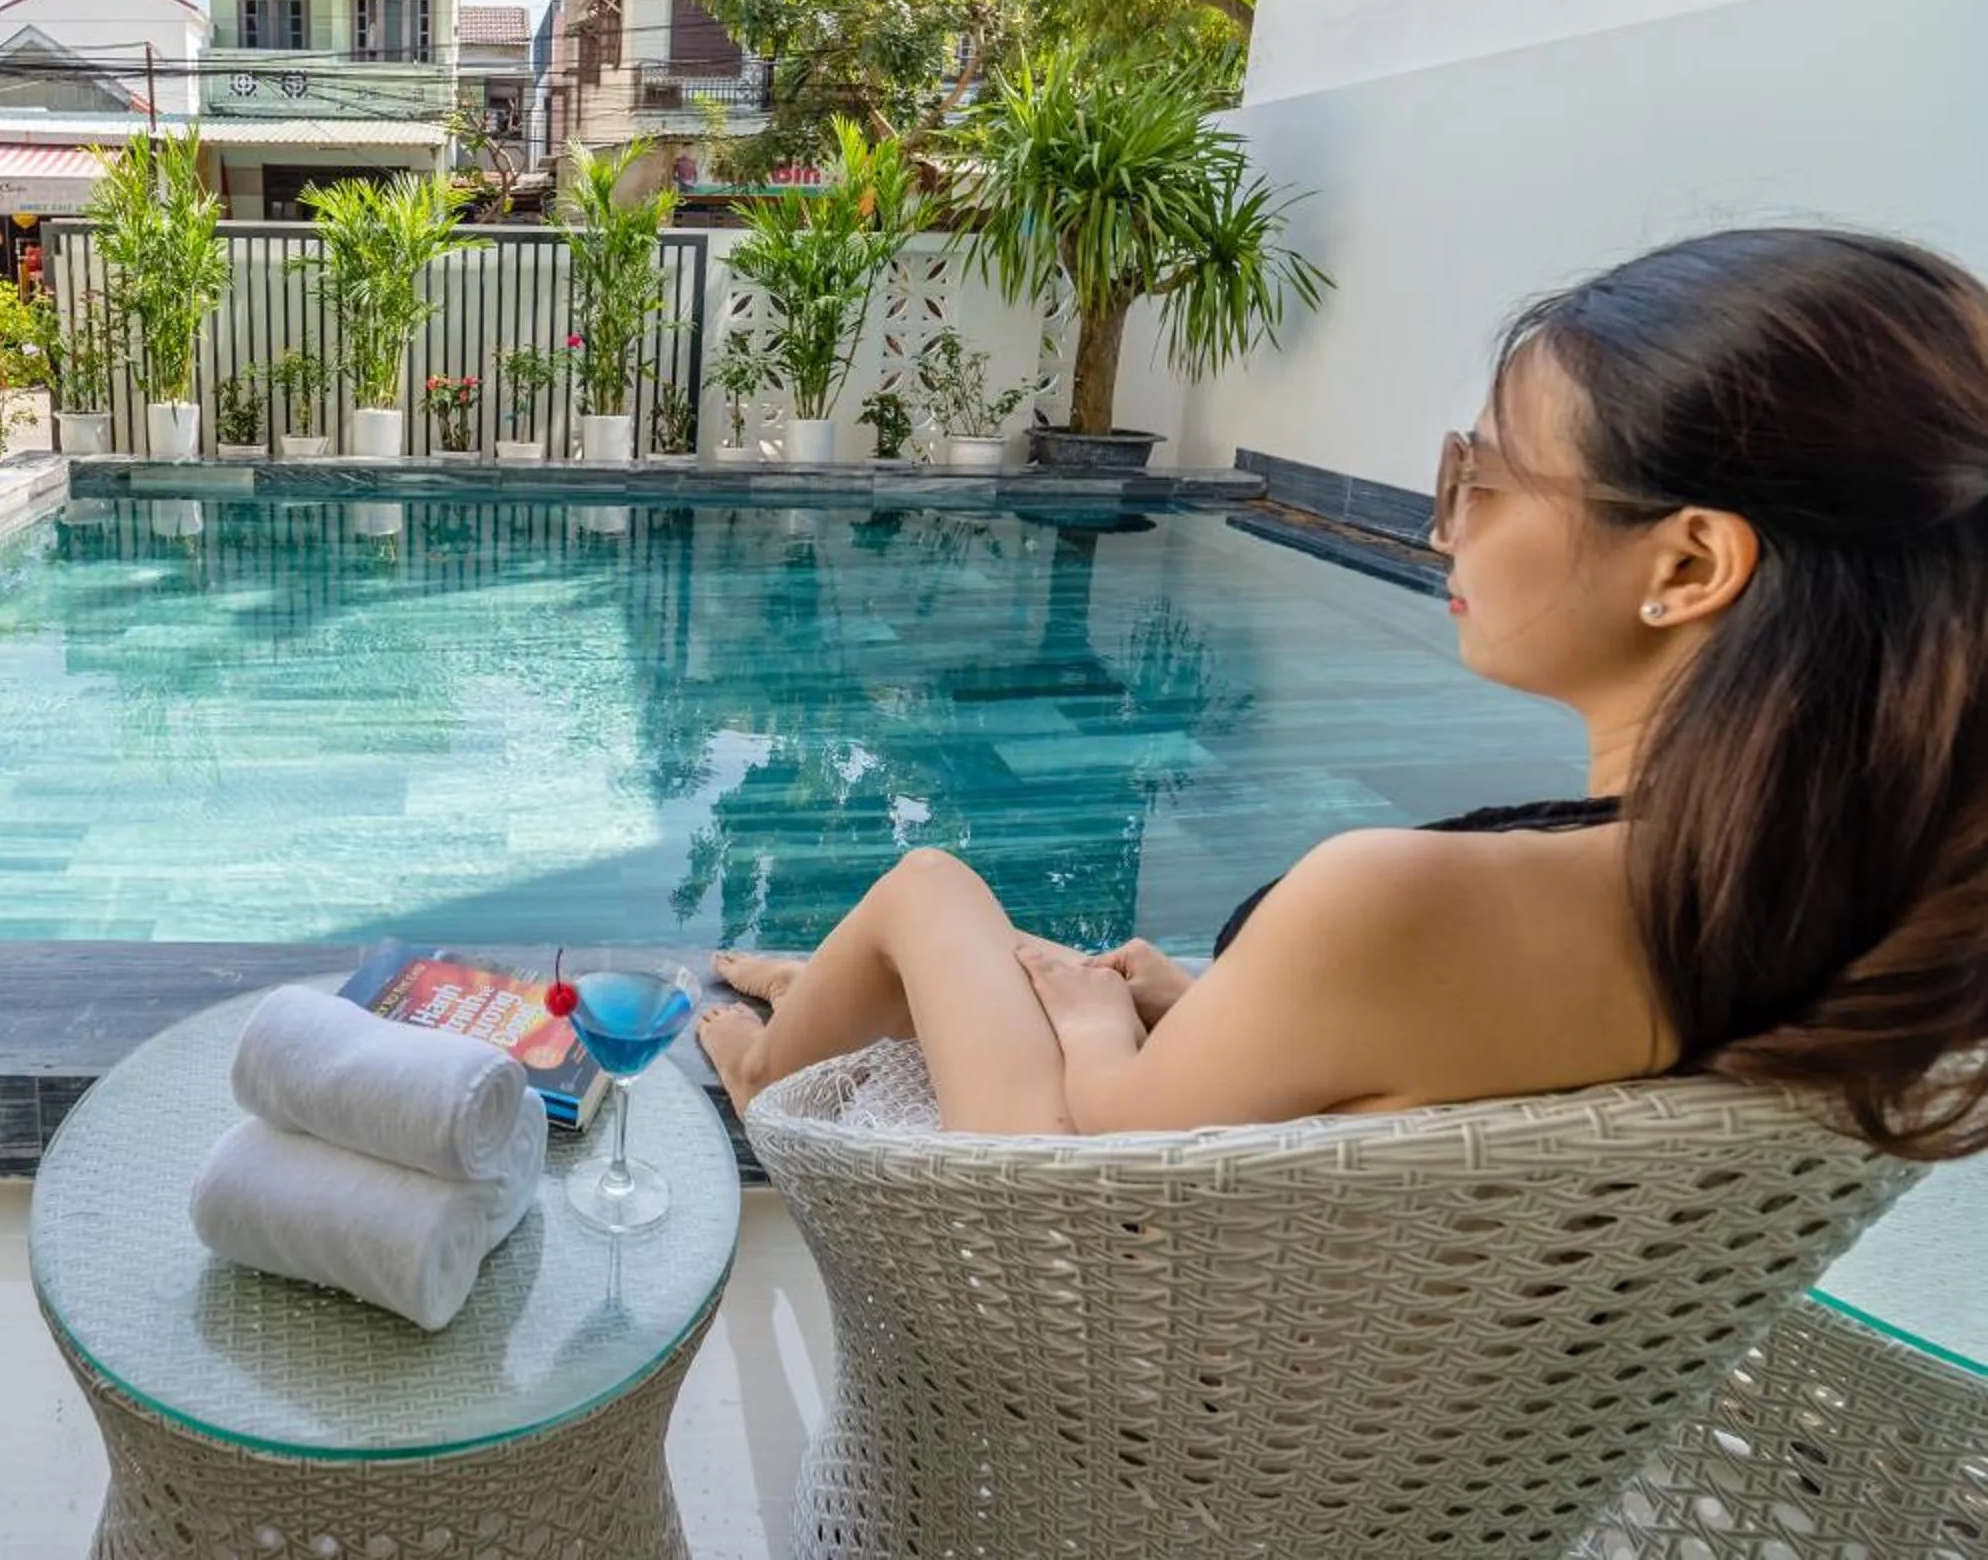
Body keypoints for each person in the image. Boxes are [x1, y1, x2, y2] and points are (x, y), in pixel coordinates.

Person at [699, 229, 1988, 1161]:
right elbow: (1435, 1074)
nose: (1446, 529)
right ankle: (813, 987)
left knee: (931, 889)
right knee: (990, 951)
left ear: (1690, 564)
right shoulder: (1863, 911)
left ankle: (765, 1073)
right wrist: (1200, 1006)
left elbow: (1089, 1141)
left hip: (1084, 1311)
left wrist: (1097, 1017)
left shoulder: (1405, 906)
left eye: (1483, 475)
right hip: (1418, 1403)